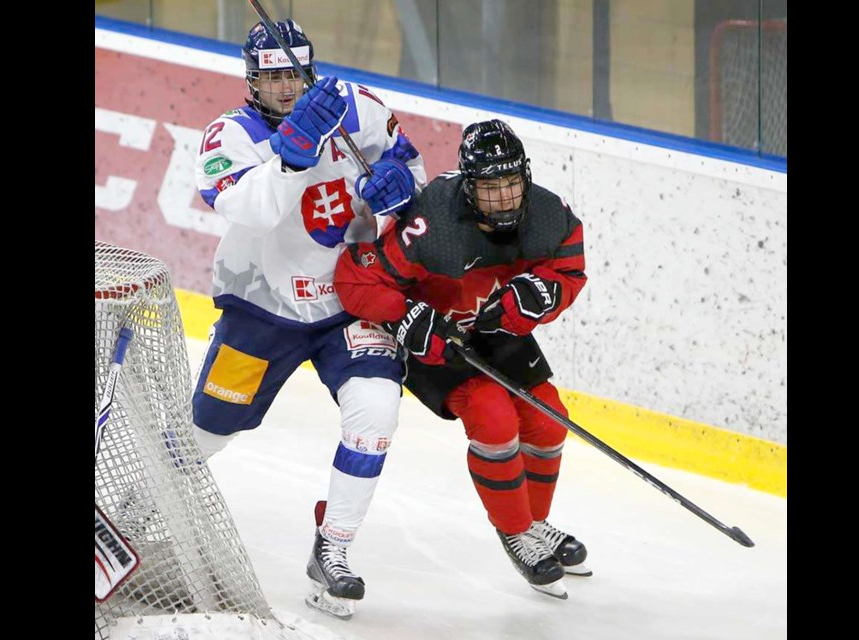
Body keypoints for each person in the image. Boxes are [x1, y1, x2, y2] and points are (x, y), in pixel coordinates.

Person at [191, 19, 426, 619]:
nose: (284, 86)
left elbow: (412, 176)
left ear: (310, 69)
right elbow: (251, 211)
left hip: (348, 302)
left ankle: (335, 549)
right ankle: (133, 506)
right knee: (209, 429)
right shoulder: (228, 135)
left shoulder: (360, 110)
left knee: (376, 410)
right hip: (262, 308)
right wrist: (291, 155)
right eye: (270, 76)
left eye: (292, 73)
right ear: (252, 80)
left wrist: (399, 196)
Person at [334, 119, 590, 599]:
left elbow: (569, 268)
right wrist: (405, 315)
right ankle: (515, 530)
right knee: (493, 416)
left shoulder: (549, 214)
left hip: (492, 329)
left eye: (512, 184)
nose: (503, 199)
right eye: (489, 188)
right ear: (469, 185)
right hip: (437, 338)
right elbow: (354, 280)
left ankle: (535, 523)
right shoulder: (431, 223)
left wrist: (542, 294)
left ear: (525, 176)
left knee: (551, 418)